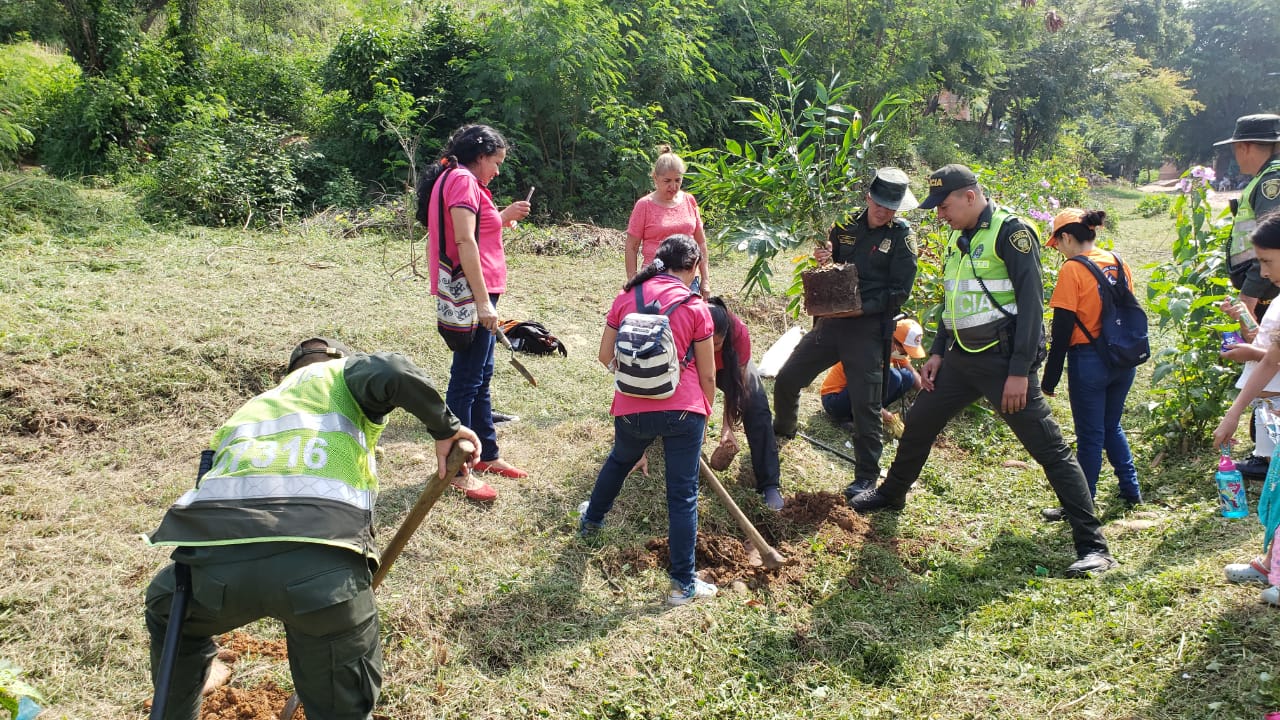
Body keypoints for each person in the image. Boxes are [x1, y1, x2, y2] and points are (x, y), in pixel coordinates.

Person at [144, 338, 482, 720]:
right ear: (339, 359)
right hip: (322, 583)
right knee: (341, 701)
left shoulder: (254, 408)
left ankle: (184, 688)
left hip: (215, 574)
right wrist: (446, 429)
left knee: (167, 609)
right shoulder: (339, 374)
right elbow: (394, 372)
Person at [848, 164, 1117, 578]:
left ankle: (1093, 545)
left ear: (970, 196)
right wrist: (937, 350)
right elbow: (953, 299)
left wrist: (1019, 370)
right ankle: (892, 493)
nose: (940, 213)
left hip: (1004, 363)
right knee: (919, 423)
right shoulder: (960, 236)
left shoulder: (1012, 232)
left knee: (1049, 448)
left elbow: (1031, 304)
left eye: (945, 204)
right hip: (958, 360)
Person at [580, 234, 719, 605]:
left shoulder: (627, 297)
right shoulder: (694, 305)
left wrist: (634, 381)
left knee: (619, 460)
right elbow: (707, 375)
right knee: (682, 494)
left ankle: (591, 522)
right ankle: (682, 586)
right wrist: (705, 408)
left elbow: (604, 354)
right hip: (684, 411)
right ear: (691, 268)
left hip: (631, 409)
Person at [772, 167, 920, 498]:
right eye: (879, 204)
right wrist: (825, 256)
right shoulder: (846, 224)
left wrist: (863, 308)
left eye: (891, 207)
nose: (884, 212)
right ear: (868, 198)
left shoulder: (901, 237)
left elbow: (900, 291)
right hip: (832, 322)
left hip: (868, 328)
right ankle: (783, 429)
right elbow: (832, 263)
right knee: (788, 378)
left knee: (865, 403)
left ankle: (866, 476)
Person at [420, 124, 531, 501]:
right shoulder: (463, 181)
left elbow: (473, 233)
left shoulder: (457, 179)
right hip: (471, 293)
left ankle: (486, 453)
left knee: (481, 373)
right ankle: (457, 467)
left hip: (476, 289)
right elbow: (465, 240)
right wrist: (483, 302)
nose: (497, 171)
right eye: (496, 162)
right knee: (466, 379)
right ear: (480, 155)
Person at [1039, 209, 1142, 522]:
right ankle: (1131, 490)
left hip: (1089, 362)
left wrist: (1049, 379)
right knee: (1111, 426)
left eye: (1057, 246)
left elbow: (1062, 329)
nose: (1059, 253)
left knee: (1090, 436)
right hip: (1123, 359)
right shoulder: (1117, 260)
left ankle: (1081, 504)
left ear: (1067, 237)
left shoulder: (1072, 270)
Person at [1213, 212, 1280, 606]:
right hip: (1272, 408)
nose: (1264, 271)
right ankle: (1270, 562)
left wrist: (1234, 411)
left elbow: (1271, 359)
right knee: (1275, 490)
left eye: (1269, 261)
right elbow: (1269, 350)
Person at [1216, 114, 1280, 480]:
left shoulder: (1272, 181)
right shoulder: (1266, 177)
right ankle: (1264, 452)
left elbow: (1271, 242)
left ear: (1245, 146)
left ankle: (1265, 455)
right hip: (1265, 290)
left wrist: (1251, 295)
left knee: (1267, 372)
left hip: (1265, 291)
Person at [707, 296, 784, 510]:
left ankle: (769, 484)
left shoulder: (738, 332)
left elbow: (736, 387)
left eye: (717, 344)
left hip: (731, 368)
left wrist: (727, 428)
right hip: (695, 368)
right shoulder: (688, 326)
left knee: (756, 403)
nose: (712, 348)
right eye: (707, 343)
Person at [626, 146, 712, 298]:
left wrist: (705, 280)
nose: (673, 186)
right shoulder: (644, 205)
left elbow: (701, 242)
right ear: (655, 178)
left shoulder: (689, 201)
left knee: (687, 320)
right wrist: (633, 282)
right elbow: (631, 247)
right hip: (655, 278)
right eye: (667, 181)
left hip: (689, 279)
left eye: (678, 180)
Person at [821, 317, 927, 438]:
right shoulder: (867, 350)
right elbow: (859, 386)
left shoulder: (891, 348)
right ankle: (852, 417)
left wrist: (926, 397)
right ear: (893, 340)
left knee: (907, 377)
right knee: (893, 376)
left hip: (857, 393)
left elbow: (911, 371)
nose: (905, 355)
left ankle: (861, 415)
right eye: (905, 352)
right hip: (835, 401)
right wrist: (883, 413)